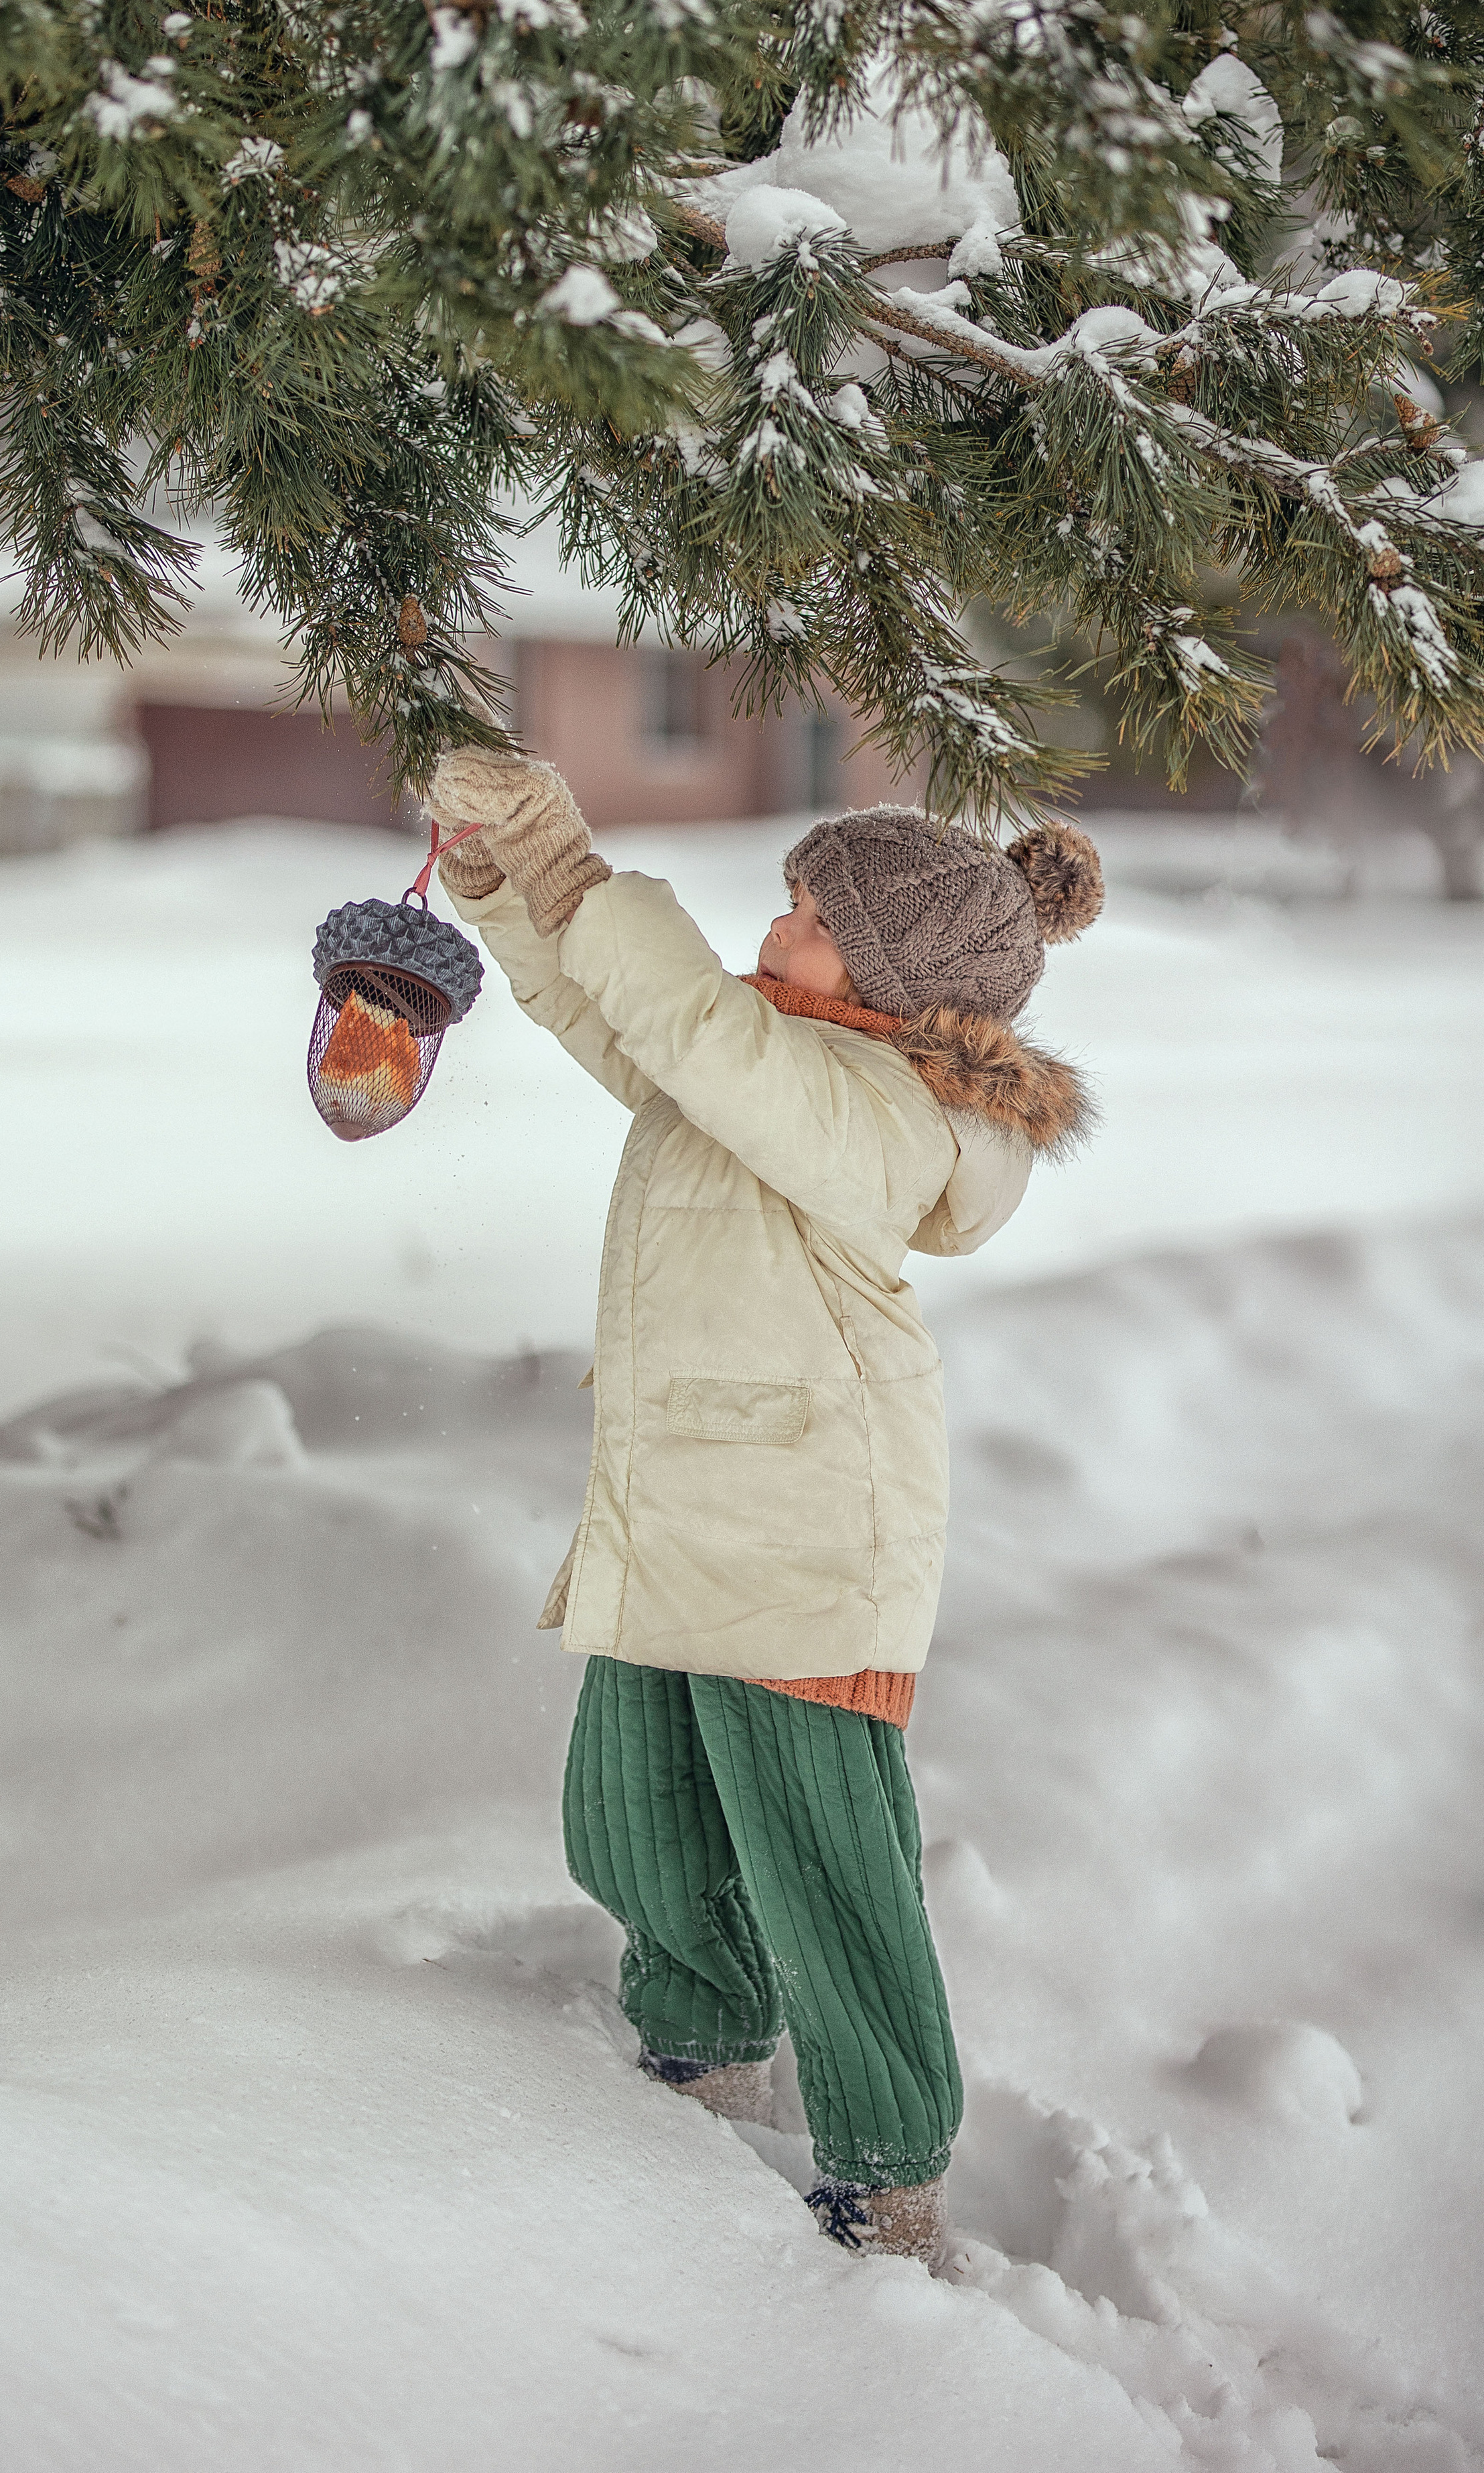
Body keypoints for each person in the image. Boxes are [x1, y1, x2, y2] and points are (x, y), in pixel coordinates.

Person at [426, 753, 1102, 2263]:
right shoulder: (763, 1056)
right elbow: (628, 1020)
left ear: (889, 975)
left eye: (808, 914)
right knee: (631, 1822)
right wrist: (505, 889)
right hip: (679, 1510)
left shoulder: (881, 1111)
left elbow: (695, 1032)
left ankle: (890, 2178)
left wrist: (574, 868)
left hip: (809, 1535)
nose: (775, 923)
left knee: (822, 1862)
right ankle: (700, 2071)